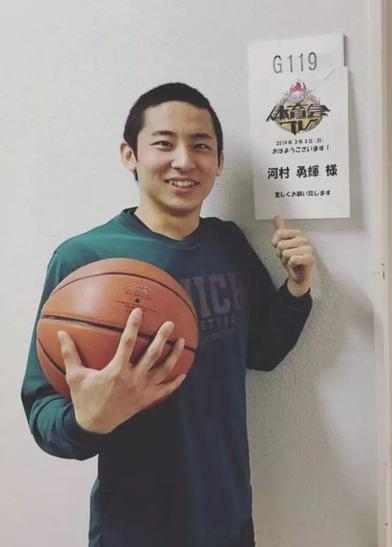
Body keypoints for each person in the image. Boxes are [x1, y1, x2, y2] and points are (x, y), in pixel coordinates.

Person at [21, 82, 315, 547]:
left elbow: (262, 352)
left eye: (201, 146)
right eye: (163, 143)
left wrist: (297, 287)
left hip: (228, 517)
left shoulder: (227, 243)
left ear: (219, 162)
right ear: (130, 155)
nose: (184, 160)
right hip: (135, 528)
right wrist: (87, 421)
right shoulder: (85, 258)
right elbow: (43, 410)